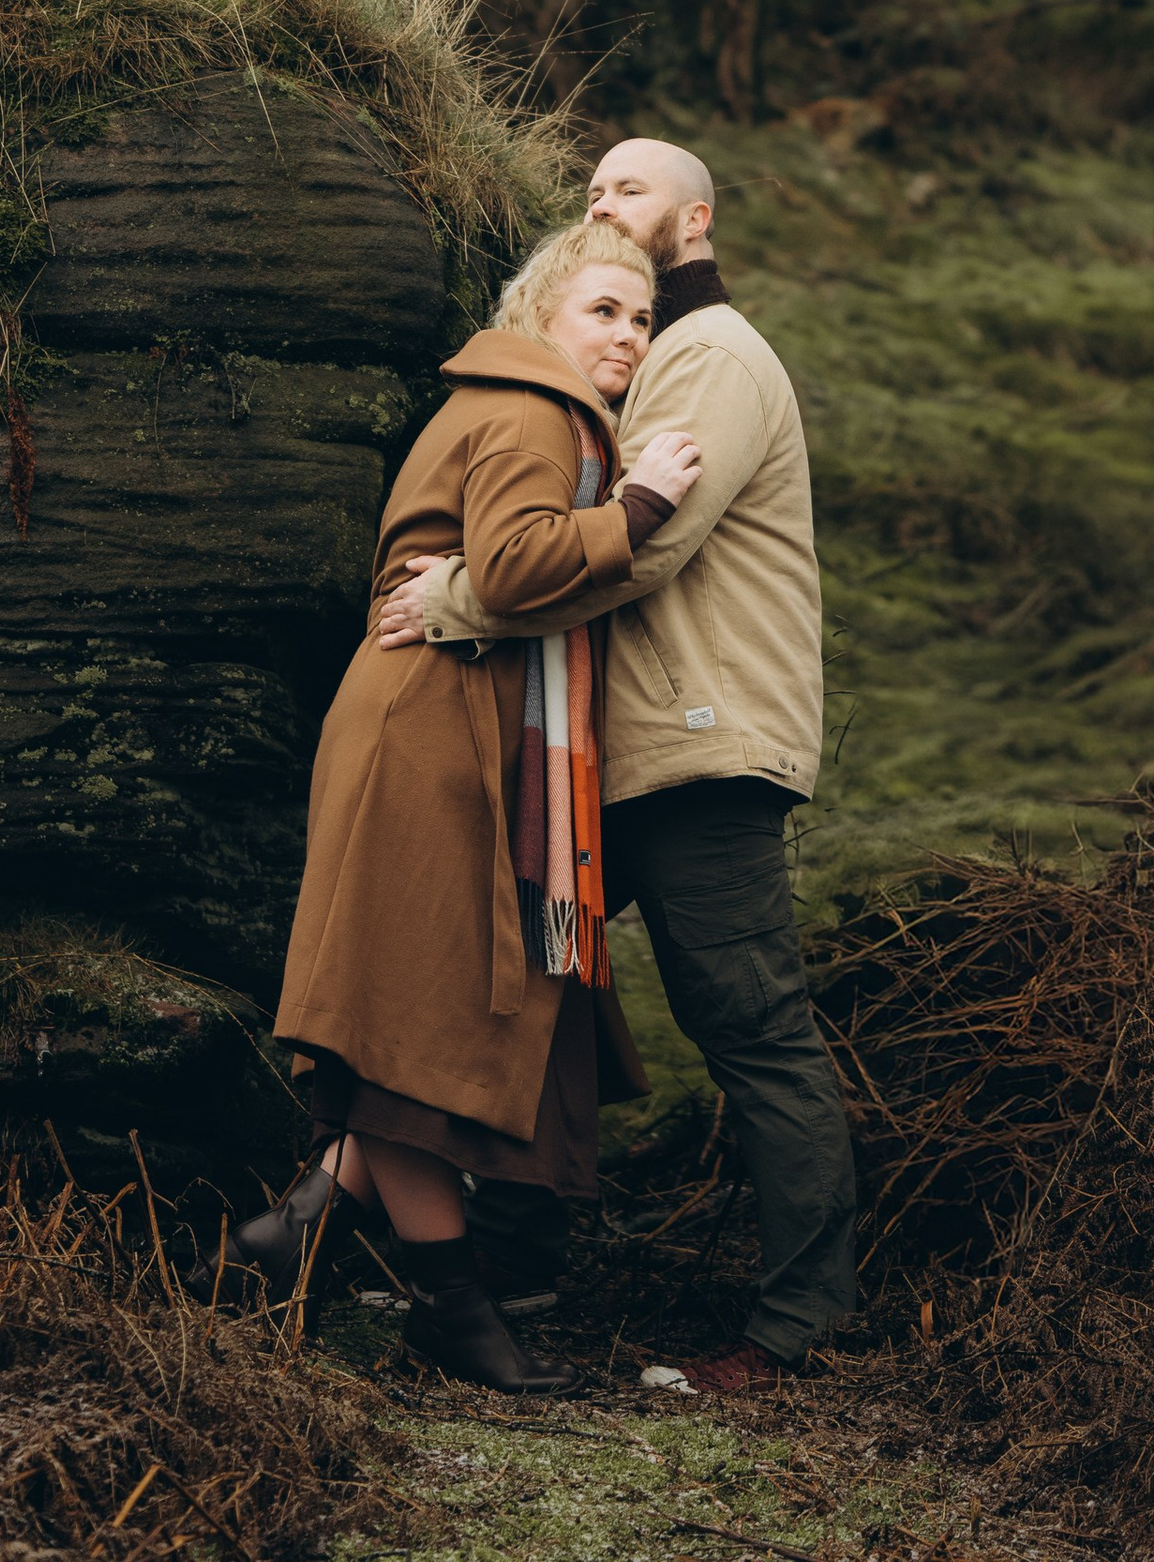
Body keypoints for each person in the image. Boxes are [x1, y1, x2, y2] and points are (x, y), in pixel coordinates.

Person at [381, 136, 857, 1390]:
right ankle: (502, 1262)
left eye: (630, 189)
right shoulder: (641, 356)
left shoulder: (706, 354)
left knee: (752, 1032)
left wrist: (455, 601)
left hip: (698, 748)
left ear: (693, 218)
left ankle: (799, 1326)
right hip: (623, 744)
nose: (602, 202)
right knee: (537, 997)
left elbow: (642, 547)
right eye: (590, 191)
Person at [231, 217, 703, 1393]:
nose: (627, 336)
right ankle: (452, 1309)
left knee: (412, 1011)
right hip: (425, 728)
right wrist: (640, 505)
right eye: (602, 310)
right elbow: (512, 568)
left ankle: (276, 1248)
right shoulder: (532, 410)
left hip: (438, 720)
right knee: (408, 1031)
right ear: (540, 313)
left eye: (642, 318)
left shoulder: (521, 402)